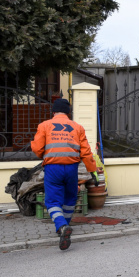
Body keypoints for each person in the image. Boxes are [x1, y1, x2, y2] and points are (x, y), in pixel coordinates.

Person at [31, 98, 98, 251]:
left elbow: (37, 148)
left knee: (53, 201)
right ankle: (65, 226)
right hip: (71, 168)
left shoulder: (44, 126)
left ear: (53, 111)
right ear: (69, 112)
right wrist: (92, 171)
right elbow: (86, 152)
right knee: (70, 198)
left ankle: (61, 226)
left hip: (53, 168)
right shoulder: (77, 127)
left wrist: (44, 154)